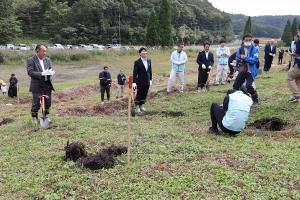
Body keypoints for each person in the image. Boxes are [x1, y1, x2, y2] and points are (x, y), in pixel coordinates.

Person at [27, 44, 55, 123]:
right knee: (36, 104)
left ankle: (45, 117)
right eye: (43, 51)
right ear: (37, 51)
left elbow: (50, 69)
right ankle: (34, 119)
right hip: (37, 85)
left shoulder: (47, 60)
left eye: (46, 51)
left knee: (48, 103)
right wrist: (42, 73)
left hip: (47, 84)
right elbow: (30, 72)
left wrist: (50, 72)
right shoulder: (31, 60)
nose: (45, 53)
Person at [233, 34, 259, 106]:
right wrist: (236, 65)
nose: (248, 41)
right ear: (243, 40)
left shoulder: (255, 49)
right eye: (246, 40)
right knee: (236, 85)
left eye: (250, 40)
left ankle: (255, 99)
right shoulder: (240, 49)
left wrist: (245, 58)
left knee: (249, 86)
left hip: (251, 71)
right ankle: (242, 98)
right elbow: (237, 59)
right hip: (242, 70)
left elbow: (255, 60)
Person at [132, 47, 152, 113]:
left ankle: (141, 106)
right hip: (140, 81)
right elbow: (135, 73)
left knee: (144, 94)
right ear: (140, 53)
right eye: (143, 51)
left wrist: (150, 79)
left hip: (147, 81)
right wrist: (134, 82)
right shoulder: (137, 62)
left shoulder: (149, 60)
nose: (144, 53)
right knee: (139, 94)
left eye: (145, 51)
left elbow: (150, 71)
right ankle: (137, 107)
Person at [287, 33, 300, 103]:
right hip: (295, 62)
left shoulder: (299, 41)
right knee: (298, 80)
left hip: (298, 64)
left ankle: (297, 95)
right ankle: (296, 97)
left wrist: (291, 54)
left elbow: (298, 53)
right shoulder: (294, 43)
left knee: (290, 77)